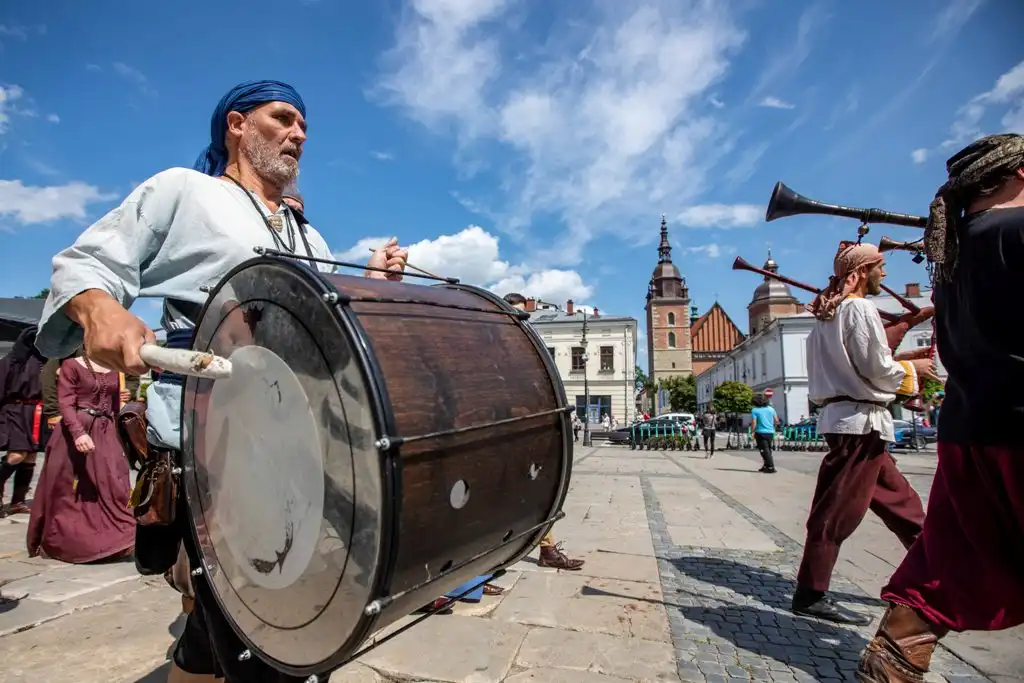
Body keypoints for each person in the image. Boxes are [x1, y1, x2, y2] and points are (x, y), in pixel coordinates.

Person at [34, 80, 409, 683]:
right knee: (260, 639)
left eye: (304, 126)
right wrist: (101, 310)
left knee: (243, 634)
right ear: (237, 125)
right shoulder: (186, 193)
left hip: (297, 448)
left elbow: (327, 328)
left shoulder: (305, 234)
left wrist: (366, 279)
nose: (299, 135)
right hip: (213, 444)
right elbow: (88, 262)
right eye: (283, 119)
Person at [856, 133, 1024, 683]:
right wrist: (906, 372)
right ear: (1019, 174)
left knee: (955, 557)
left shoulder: (953, 256)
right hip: (1012, 425)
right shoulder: (1012, 231)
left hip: (968, 427)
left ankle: (902, 645)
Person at [791, 242, 936, 626]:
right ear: (863, 270)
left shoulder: (826, 317)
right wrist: (910, 372)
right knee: (835, 513)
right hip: (860, 426)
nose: (884, 274)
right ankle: (810, 593)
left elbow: (860, 363)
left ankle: (940, 577)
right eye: (880, 266)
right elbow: (874, 366)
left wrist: (902, 353)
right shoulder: (858, 309)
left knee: (904, 507)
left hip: (856, 423)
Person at [27, 351, 136, 563]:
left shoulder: (114, 366)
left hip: (105, 429)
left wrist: (119, 436)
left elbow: (114, 406)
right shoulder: (71, 365)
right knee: (65, 489)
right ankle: (69, 543)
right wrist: (78, 433)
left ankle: (118, 540)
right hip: (75, 429)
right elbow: (66, 403)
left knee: (115, 482)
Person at [503, 293, 584, 571]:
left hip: (525, 433)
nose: (521, 321)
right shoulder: (497, 345)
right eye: (514, 314)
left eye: (523, 315)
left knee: (537, 494)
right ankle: (481, 570)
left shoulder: (525, 346)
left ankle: (547, 549)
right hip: (502, 435)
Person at [0, 325, 45, 517]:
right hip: (15, 410)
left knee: (31, 456)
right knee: (16, 455)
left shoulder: (45, 361)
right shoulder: (10, 362)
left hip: (37, 411)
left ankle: (17, 501)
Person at [749, 394, 778, 473]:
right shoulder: (771, 409)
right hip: (770, 432)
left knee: (764, 450)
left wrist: (752, 431)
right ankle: (766, 465)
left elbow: (754, 422)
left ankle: (770, 467)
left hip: (760, 432)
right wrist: (772, 426)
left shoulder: (755, 410)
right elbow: (776, 421)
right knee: (768, 449)